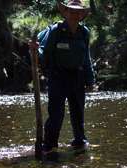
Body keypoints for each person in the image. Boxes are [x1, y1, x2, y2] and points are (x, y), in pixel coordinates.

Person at [30, 0, 96, 154]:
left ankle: (79, 142)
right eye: (71, 11)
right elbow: (44, 52)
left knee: (78, 112)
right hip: (58, 77)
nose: (74, 14)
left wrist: (90, 80)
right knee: (56, 114)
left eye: (77, 12)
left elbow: (86, 58)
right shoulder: (55, 31)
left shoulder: (84, 32)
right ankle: (50, 145)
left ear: (81, 15)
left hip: (78, 77)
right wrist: (34, 52)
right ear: (65, 13)